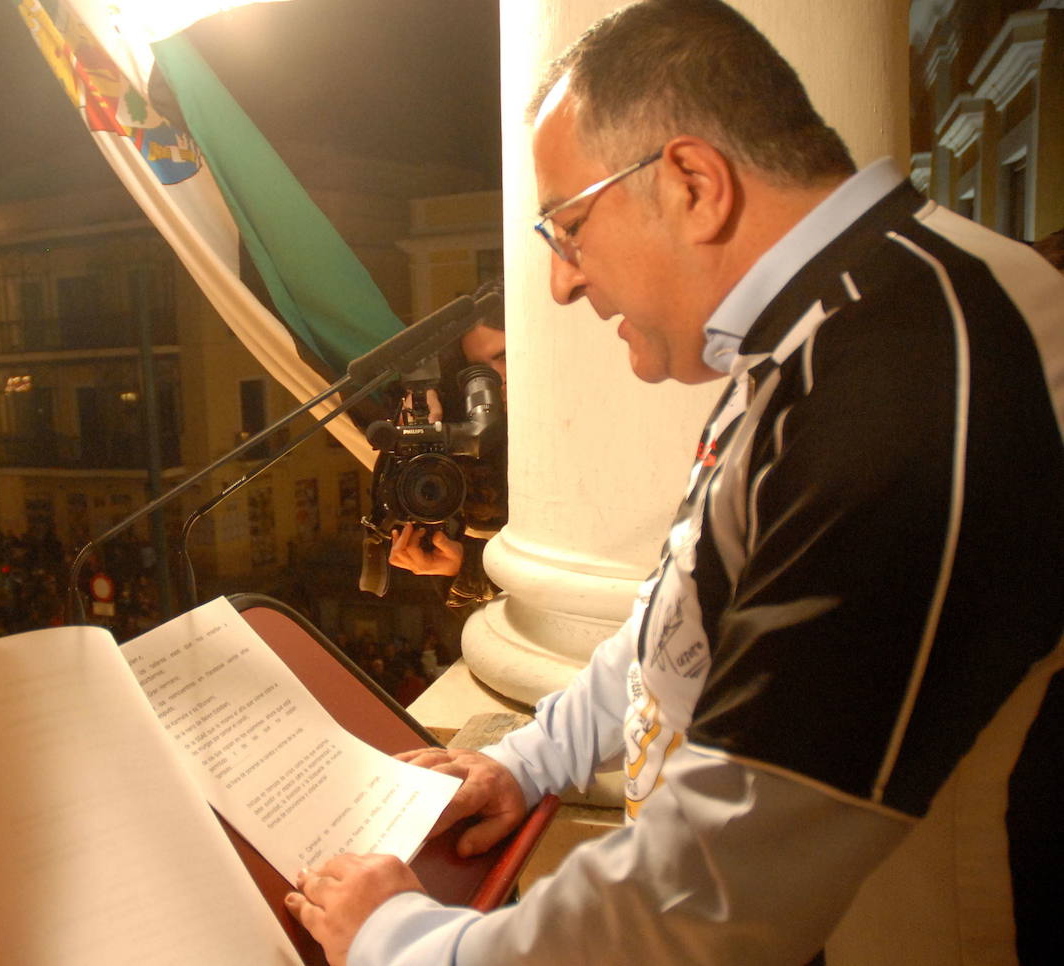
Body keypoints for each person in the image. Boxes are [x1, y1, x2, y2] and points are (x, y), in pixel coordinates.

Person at [284, 2, 1064, 964]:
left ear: (694, 182)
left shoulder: (910, 367)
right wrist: (527, 762)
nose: (563, 283)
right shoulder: (837, 320)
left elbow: (716, 894)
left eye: (569, 227)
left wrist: (401, 941)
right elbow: (682, 617)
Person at [388, 279, 509, 609]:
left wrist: (468, 570)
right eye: (478, 370)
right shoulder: (473, 439)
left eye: (502, 357)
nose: (493, 381)